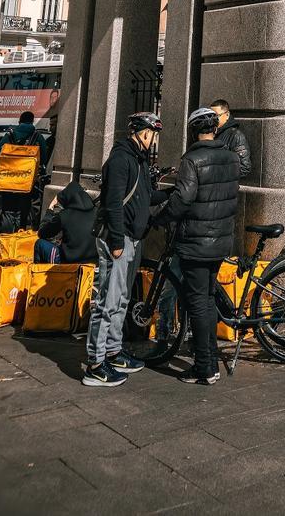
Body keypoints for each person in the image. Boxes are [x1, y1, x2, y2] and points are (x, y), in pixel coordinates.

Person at [84, 111, 171, 387]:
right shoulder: (121, 159)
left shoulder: (140, 159)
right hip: (117, 239)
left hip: (134, 238)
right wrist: (118, 242)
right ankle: (95, 364)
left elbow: (145, 197)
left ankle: (114, 351)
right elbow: (112, 203)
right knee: (107, 302)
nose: (153, 139)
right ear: (141, 132)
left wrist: (172, 193)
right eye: (152, 134)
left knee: (121, 299)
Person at [159, 106, 241, 384]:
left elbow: (183, 199)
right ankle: (210, 362)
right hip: (220, 240)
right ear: (215, 129)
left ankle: (205, 367)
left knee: (198, 303)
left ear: (194, 131)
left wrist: (162, 216)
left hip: (195, 241)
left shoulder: (192, 160)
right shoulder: (231, 158)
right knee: (205, 299)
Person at [0, 110, 45, 234]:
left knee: (8, 210)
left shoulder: (8, 136)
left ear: (19, 121)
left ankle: (6, 238)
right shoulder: (38, 137)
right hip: (27, 183)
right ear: (32, 121)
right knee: (25, 211)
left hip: (9, 182)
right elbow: (43, 158)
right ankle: (21, 236)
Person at [35, 181, 98, 264]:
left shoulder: (64, 215)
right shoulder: (97, 212)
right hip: (93, 262)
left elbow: (42, 233)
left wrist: (50, 210)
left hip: (70, 263)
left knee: (40, 243)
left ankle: (40, 274)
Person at [210, 98, 252, 178]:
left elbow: (244, 167)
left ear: (227, 115)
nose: (213, 119)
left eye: (216, 116)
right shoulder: (210, 132)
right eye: (210, 116)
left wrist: (216, 175)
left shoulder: (236, 136)